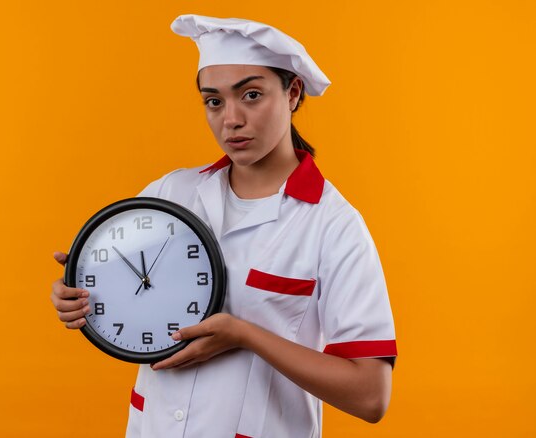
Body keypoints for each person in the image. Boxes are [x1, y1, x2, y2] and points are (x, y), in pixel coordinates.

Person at [51, 14, 397, 438]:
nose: (230, 119)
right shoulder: (170, 192)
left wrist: (244, 335)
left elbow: (370, 395)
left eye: (251, 95)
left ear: (292, 93)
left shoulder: (334, 225)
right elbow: (126, 290)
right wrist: (80, 293)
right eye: (213, 101)